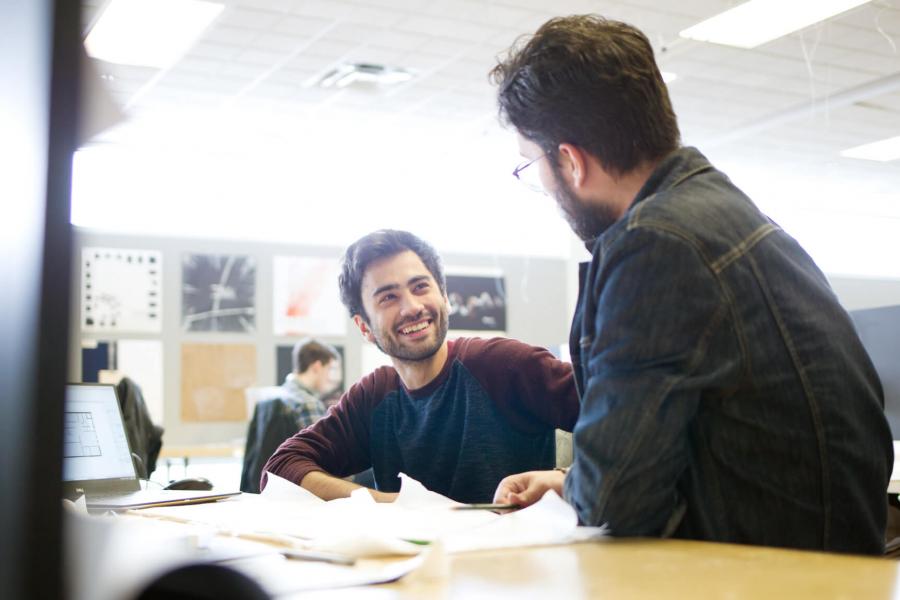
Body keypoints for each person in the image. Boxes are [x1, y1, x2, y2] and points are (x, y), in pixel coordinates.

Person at [489, 15, 892, 554]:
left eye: (532, 165)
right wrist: (569, 483)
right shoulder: (714, 211)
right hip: (807, 562)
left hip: (766, 581)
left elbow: (616, 503)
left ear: (570, 161)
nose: (541, 183)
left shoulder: (657, 245)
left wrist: (588, 487)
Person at [262, 229, 579, 504]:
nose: (412, 307)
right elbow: (279, 470)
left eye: (420, 287)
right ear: (364, 327)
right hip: (414, 570)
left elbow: (623, 416)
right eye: (388, 297)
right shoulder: (374, 396)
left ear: (444, 296)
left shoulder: (502, 365)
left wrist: (566, 480)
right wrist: (394, 505)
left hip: (514, 565)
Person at [240, 338, 341, 493]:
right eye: (330, 369)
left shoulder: (269, 397)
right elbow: (328, 461)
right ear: (317, 367)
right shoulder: (307, 404)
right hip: (296, 493)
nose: (331, 378)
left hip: (264, 489)